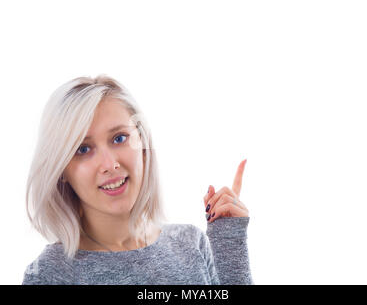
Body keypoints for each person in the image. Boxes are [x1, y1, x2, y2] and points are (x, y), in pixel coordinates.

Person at [22, 75, 253, 285]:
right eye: (83, 149)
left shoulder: (191, 244)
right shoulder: (49, 275)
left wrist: (229, 243)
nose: (110, 164)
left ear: (142, 144)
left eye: (119, 138)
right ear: (61, 169)